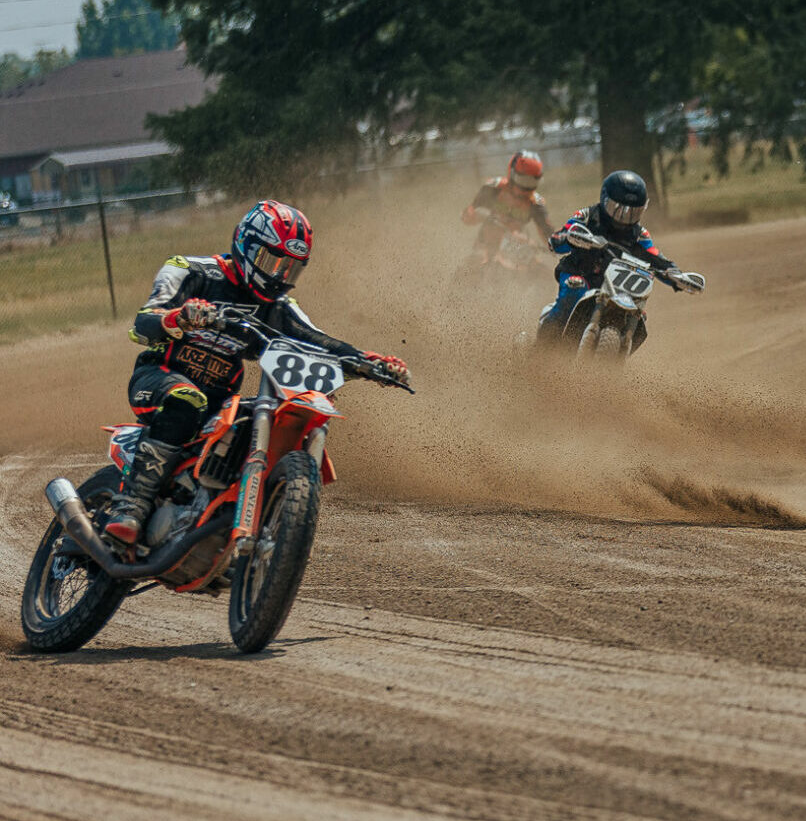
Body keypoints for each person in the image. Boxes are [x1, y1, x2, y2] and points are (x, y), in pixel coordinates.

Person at [105, 201, 409, 544]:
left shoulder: (278, 307)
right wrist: (180, 317)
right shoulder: (191, 270)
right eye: (272, 262)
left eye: (290, 270)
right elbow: (142, 324)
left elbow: (318, 341)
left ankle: (223, 515)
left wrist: (367, 362)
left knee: (246, 424)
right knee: (187, 399)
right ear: (246, 246)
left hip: (220, 401)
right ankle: (130, 506)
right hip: (159, 377)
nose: (279, 276)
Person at [539, 170, 697, 343]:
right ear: (605, 200)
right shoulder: (588, 217)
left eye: (632, 213)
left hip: (616, 288)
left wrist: (676, 275)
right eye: (619, 210)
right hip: (580, 273)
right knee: (574, 290)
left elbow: (655, 257)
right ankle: (542, 347)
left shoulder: (639, 235)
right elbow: (558, 238)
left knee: (638, 317)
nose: (625, 218)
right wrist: (571, 239)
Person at [461, 150, 554, 266]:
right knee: (472, 266)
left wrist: (558, 245)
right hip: (486, 247)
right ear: (512, 173)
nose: (526, 187)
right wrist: (474, 215)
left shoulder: (536, 202)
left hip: (518, 247)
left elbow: (548, 234)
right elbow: (468, 215)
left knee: (543, 273)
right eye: (523, 180)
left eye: (532, 181)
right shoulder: (494, 188)